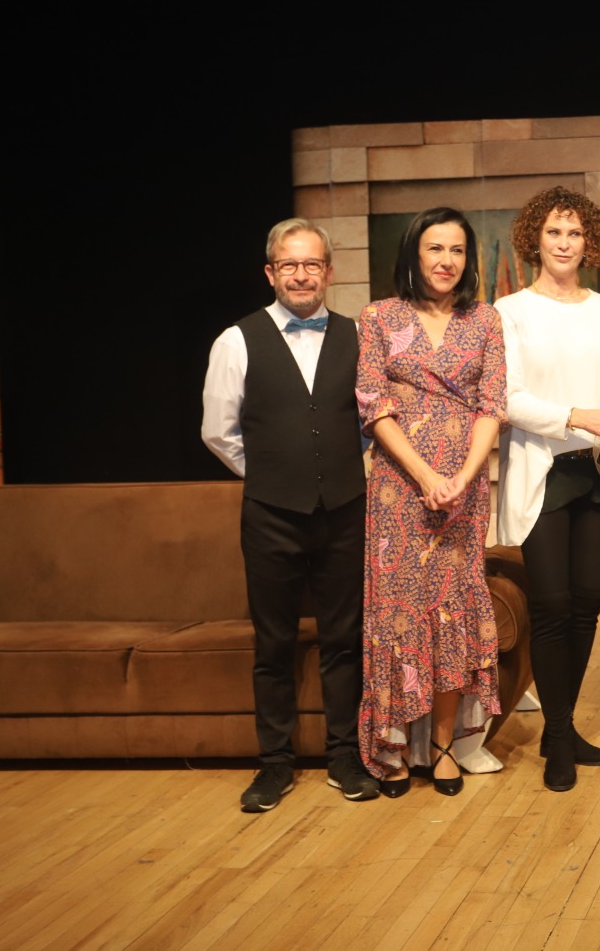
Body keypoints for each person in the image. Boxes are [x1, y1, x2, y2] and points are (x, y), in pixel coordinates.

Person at [202, 218, 379, 812]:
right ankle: (274, 763)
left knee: (344, 640)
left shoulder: (359, 337)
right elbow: (219, 432)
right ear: (270, 272)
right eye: (289, 265)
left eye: (311, 264)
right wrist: (275, 475)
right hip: (271, 515)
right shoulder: (236, 340)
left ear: (328, 271)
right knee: (273, 643)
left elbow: (369, 423)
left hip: (346, 512)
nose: (301, 275)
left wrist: (333, 469)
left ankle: (344, 756)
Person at [355, 207, 507, 797]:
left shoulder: (485, 319)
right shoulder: (379, 316)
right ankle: (392, 746)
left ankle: (443, 747)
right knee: (399, 611)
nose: (447, 261)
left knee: (451, 611)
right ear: (414, 255)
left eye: (458, 250)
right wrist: (424, 475)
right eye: (435, 249)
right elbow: (373, 403)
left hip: (464, 492)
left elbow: (492, 404)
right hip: (398, 489)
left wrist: (463, 478)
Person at [494, 186, 600, 792]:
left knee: (586, 604)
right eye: (554, 232)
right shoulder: (510, 311)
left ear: (590, 242)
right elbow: (507, 398)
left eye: (575, 233)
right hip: (543, 471)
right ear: (535, 239)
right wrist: (578, 416)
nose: (564, 243)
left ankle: (563, 725)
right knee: (551, 606)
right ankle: (557, 736)